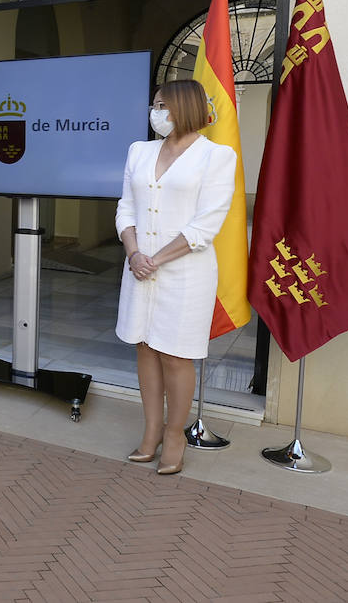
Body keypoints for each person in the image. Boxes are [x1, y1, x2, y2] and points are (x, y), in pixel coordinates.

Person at [115, 79, 236, 475]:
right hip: (139, 267)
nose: (156, 113)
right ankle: (150, 430)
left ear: (184, 107)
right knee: (145, 347)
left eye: (163, 105)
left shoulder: (216, 156)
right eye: (154, 105)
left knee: (176, 354)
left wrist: (155, 259)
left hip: (185, 272)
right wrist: (134, 253)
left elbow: (207, 224)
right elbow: (126, 207)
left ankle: (174, 434)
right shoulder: (140, 150)